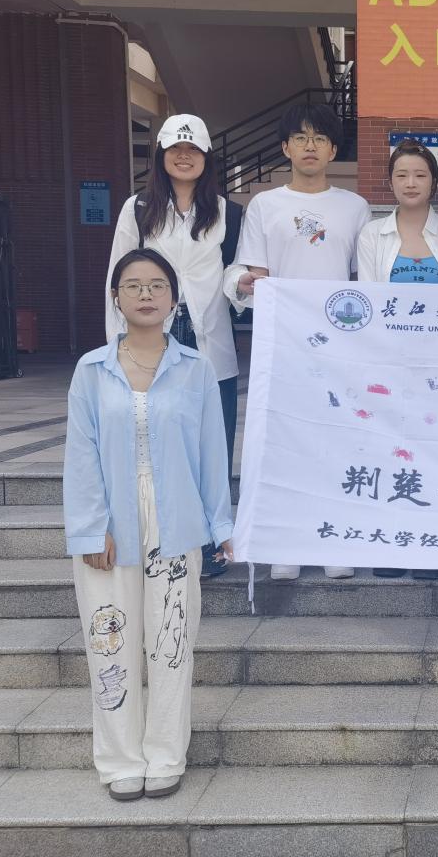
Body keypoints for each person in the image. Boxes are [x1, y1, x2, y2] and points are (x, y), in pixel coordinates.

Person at [64, 248, 233, 802]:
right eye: (133, 285)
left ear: (173, 298)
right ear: (116, 297)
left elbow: (212, 452)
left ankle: (165, 754)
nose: (145, 294)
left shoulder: (195, 369)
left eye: (156, 285)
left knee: (170, 643)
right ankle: (119, 759)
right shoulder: (92, 371)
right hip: (111, 521)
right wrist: (91, 528)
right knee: (109, 641)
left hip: (175, 521)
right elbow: (80, 455)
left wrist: (221, 525)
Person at [222, 101, 372, 581]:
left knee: (337, 442)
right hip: (284, 345)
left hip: (340, 348)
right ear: (286, 147)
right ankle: (287, 542)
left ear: (333, 150)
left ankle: (334, 540)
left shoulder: (354, 207)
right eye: (301, 138)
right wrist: (249, 286)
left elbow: (361, 279)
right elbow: (259, 273)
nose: (310, 146)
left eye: (320, 138)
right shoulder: (265, 205)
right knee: (286, 443)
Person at [105, 114, 241, 580]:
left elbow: (234, 270)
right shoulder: (138, 208)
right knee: (158, 443)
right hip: (149, 342)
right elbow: (118, 276)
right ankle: (162, 539)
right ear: (161, 155)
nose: (184, 156)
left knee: (212, 446)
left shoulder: (226, 212)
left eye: (193, 150)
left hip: (209, 342)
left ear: (206, 158)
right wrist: (115, 348)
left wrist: (243, 284)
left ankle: (213, 542)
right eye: (175, 149)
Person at [358, 139, 438, 581]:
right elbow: (369, 300)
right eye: (401, 174)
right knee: (390, 452)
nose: (410, 182)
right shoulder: (372, 234)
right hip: (389, 365)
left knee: (435, 453)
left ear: (434, 182)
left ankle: (431, 544)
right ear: (390, 182)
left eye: (420, 175)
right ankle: (392, 541)